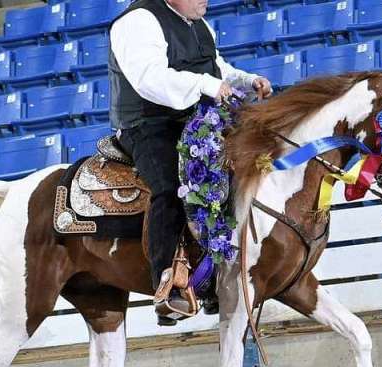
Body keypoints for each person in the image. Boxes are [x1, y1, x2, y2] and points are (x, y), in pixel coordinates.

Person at [109, 0, 272, 322]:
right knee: (170, 188)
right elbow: (149, 78)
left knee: (253, 164)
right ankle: (167, 285)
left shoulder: (195, 20)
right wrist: (208, 85)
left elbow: (215, 66)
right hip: (149, 124)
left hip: (197, 118)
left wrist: (245, 81)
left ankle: (224, 274)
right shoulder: (138, 21)